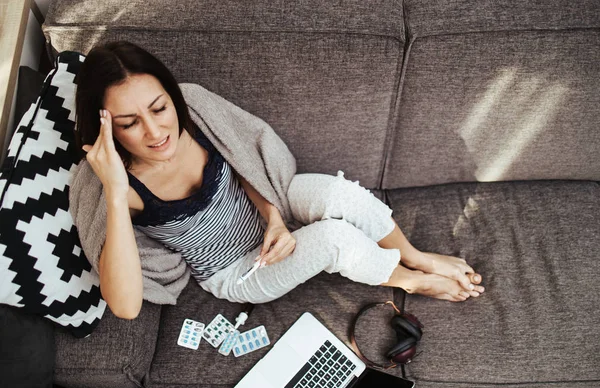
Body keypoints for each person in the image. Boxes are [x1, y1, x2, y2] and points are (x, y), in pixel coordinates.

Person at [73, 41, 484, 319]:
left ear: (171, 96)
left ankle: (414, 254)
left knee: (336, 193)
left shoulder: (193, 106)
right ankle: (411, 280)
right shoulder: (111, 182)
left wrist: (274, 218)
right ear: (106, 129)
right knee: (332, 239)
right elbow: (125, 306)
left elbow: (243, 160)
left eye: (160, 108)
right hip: (238, 269)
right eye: (130, 123)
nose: (155, 132)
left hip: (271, 209)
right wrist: (114, 190)